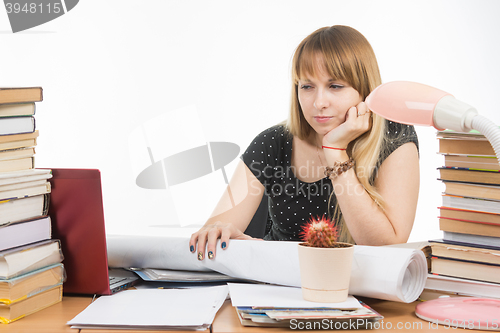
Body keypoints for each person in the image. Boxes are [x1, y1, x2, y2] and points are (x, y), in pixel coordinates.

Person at [189, 25, 419, 260]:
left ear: (365, 89)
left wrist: (335, 152)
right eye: (307, 86)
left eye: (335, 86)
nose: (319, 102)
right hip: (279, 286)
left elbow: (385, 248)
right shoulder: (272, 143)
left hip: (358, 290)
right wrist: (228, 237)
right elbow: (211, 237)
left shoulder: (393, 136)